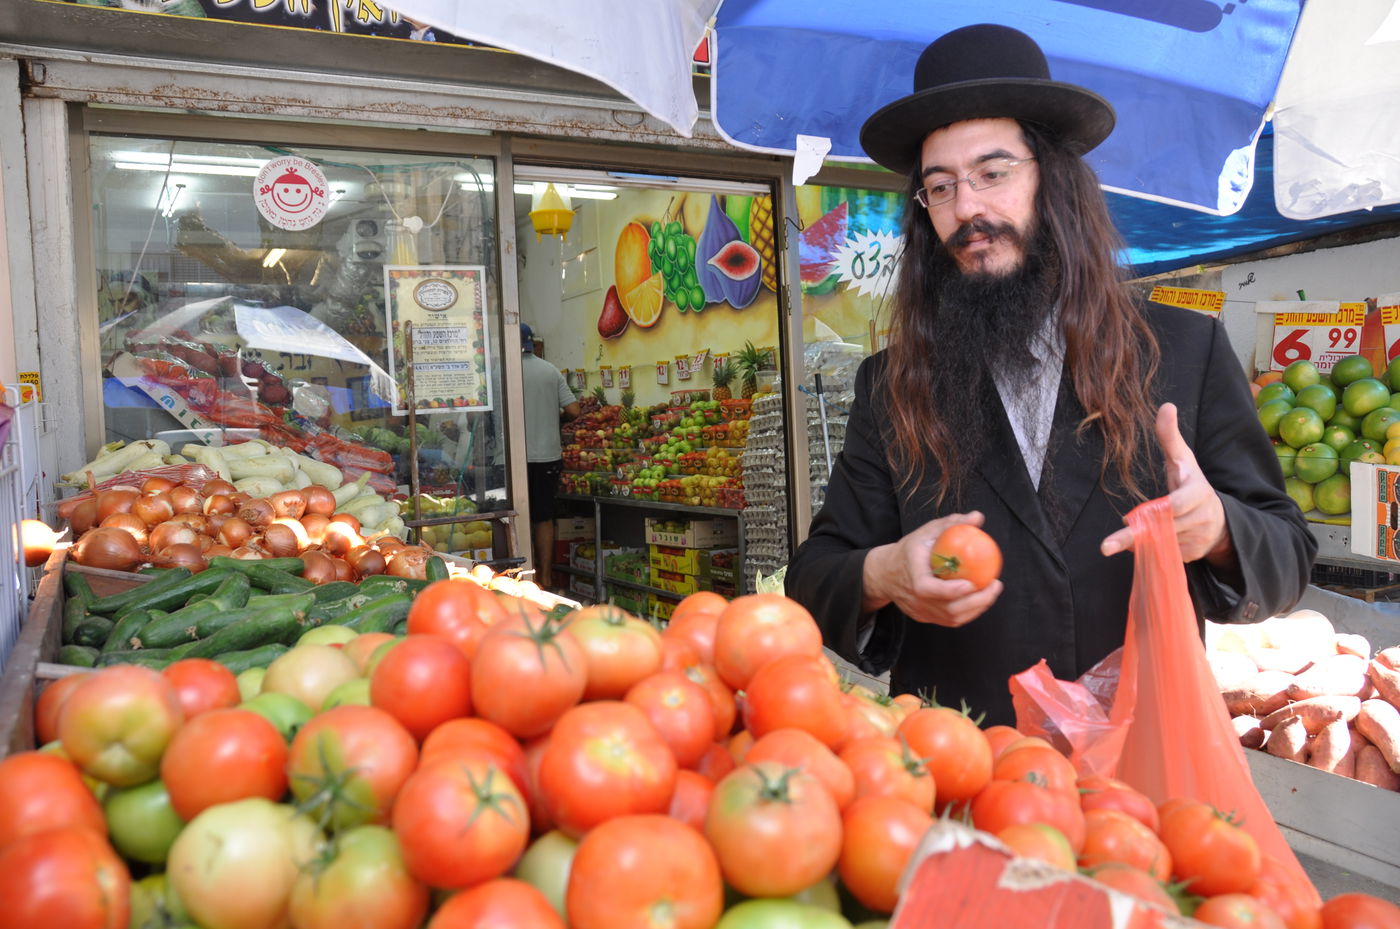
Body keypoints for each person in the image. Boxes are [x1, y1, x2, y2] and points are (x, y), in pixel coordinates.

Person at [784, 24, 1316, 725]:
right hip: (962, 762)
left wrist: (1218, 528)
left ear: (1054, 180)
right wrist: (882, 574)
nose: (967, 209)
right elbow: (813, 579)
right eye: (940, 187)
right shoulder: (893, 387)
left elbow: (1289, 554)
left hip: (1141, 760)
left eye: (993, 173)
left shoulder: (1186, 351)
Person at [519, 323, 580, 589]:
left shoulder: (500, 372)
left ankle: (522, 577)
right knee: (543, 517)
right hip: (547, 456)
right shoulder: (550, 370)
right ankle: (544, 578)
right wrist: (554, 417)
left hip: (511, 459)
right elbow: (574, 410)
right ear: (532, 344)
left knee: (516, 517)